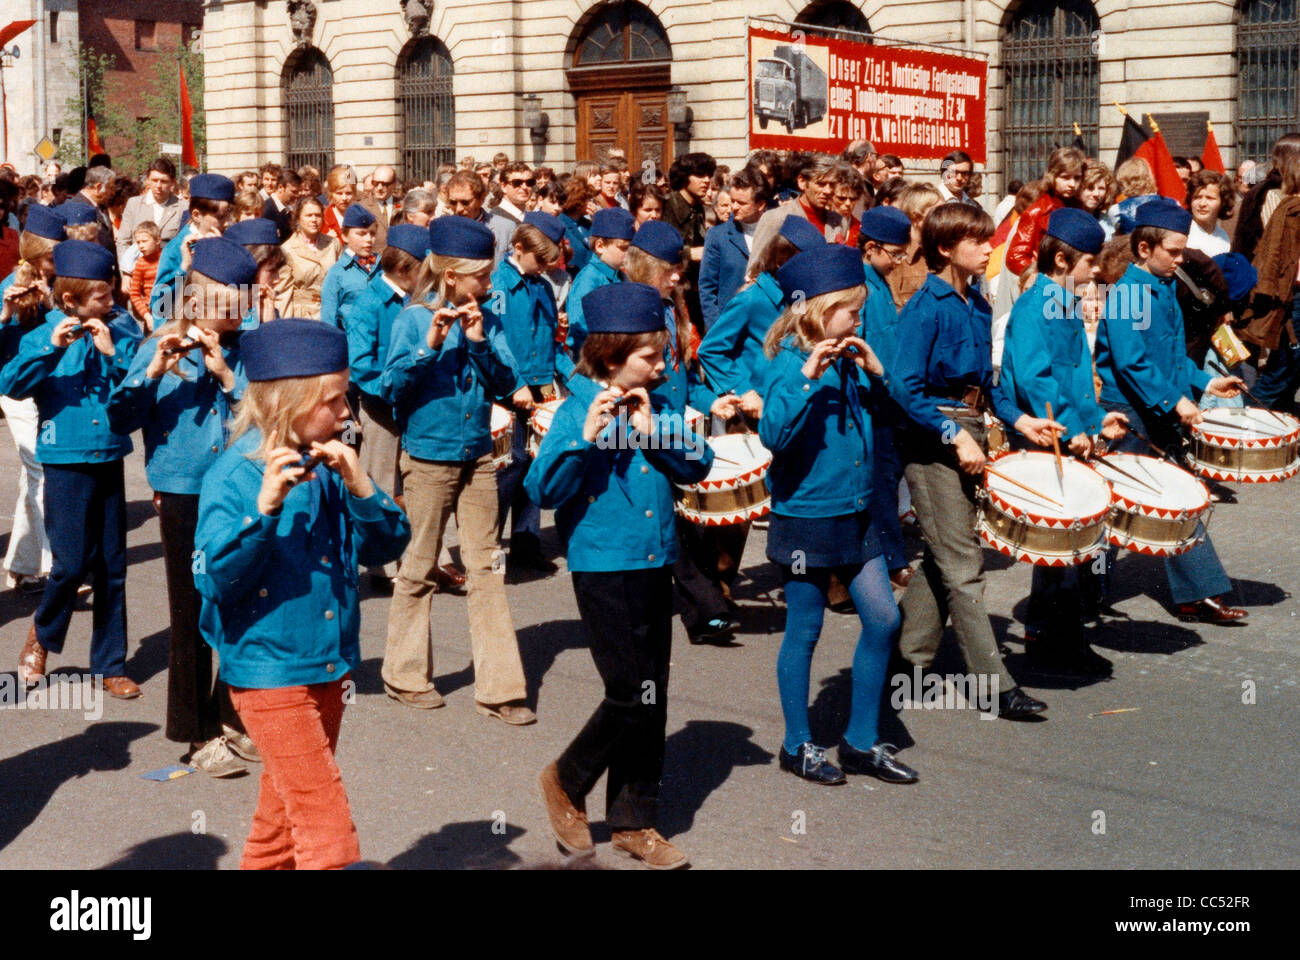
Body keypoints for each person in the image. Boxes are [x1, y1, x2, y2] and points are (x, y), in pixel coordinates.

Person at [194, 318, 409, 868]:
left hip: (327, 663)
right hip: (268, 673)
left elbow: (386, 546)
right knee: (326, 830)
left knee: (280, 822)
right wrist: (262, 512)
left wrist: (362, 486)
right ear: (290, 401)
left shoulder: (331, 462)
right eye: (335, 401)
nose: (347, 414)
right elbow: (215, 581)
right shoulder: (235, 474)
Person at [528, 281, 712, 869]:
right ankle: (565, 779)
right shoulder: (579, 407)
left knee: (652, 694)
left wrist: (656, 424)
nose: (662, 365)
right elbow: (544, 491)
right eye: (650, 356)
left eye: (662, 355)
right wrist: (583, 442)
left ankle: (635, 821)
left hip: (656, 560)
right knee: (628, 692)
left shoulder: (655, 401)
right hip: (603, 566)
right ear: (610, 355)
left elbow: (698, 463)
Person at [892, 203, 1060, 720]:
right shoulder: (926, 307)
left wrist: (1020, 421)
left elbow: (986, 387)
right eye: (979, 241)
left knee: (945, 553)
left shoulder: (979, 304)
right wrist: (952, 435)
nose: (991, 248)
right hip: (932, 436)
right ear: (945, 249)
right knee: (965, 565)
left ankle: (906, 661)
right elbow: (902, 388)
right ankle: (994, 685)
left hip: (969, 426)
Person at [757, 243, 917, 786]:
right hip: (806, 517)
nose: (860, 318)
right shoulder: (785, 363)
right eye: (851, 310)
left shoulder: (852, 360)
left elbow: (891, 421)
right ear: (819, 311)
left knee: (884, 619)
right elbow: (771, 435)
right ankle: (797, 743)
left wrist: (877, 375)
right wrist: (806, 375)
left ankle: (860, 741)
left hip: (858, 513)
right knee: (805, 629)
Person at [108, 237, 263, 776]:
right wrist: (153, 374)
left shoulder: (248, 350)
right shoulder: (158, 345)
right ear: (194, 303)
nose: (237, 315)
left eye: (241, 304)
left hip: (240, 490)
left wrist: (227, 375)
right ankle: (196, 734)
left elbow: (267, 417)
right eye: (226, 307)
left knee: (240, 604)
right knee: (190, 616)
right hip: (182, 494)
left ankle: (229, 715)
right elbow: (120, 417)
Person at [380, 215, 534, 723]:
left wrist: (479, 342)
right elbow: (390, 390)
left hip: (477, 458)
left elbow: (508, 384)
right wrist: (428, 346)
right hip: (427, 458)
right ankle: (403, 675)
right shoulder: (409, 318)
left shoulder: (485, 319)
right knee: (419, 566)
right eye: (481, 276)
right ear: (451, 274)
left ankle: (500, 689)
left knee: (487, 568)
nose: (488, 285)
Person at [1095, 199, 1249, 622]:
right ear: (1145, 249)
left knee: (1179, 500)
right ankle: (1081, 596)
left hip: (1157, 410)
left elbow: (1172, 357)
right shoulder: (1126, 293)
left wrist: (1204, 382)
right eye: (1175, 251)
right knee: (1113, 508)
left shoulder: (1162, 287)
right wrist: (1175, 401)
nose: (1182, 259)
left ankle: (1196, 592)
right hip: (1127, 414)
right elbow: (1132, 363)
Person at [5, 241, 143, 697]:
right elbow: (12, 385)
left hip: (107, 454)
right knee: (68, 564)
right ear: (70, 300)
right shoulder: (42, 331)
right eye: (102, 296)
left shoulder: (121, 327)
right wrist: (49, 346)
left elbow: (141, 384)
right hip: (64, 459)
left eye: (111, 292)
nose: (112, 301)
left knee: (112, 567)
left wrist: (112, 354)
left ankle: (110, 664)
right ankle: (42, 635)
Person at [999, 209, 1129, 673]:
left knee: (1065, 540)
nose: (1097, 271)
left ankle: (1044, 628)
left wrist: (1097, 421)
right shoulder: (1037, 305)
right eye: (1091, 262)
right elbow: (1038, 381)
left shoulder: (1066, 301)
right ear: (1060, 260)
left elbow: (1077, 374)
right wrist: (1073, 433)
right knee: (1066, 538)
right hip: (1045, 435)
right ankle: (1060, 637)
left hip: (1070, 433)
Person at [343, 224, 430, 592]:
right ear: (406, 268)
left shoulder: (415, 299)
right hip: (381, 407)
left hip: (411, 401)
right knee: (377, 483)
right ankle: (379, 566)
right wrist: (393, 390)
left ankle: (413, 556)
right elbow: (361, 365)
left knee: (411, 485)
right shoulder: (368, 303)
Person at [492, 212, 565, 577]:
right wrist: (514, 383)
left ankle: (526, 541)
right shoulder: (500, 287)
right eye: (539, 260)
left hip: (539, 383)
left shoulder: (541, 284)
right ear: (517, 248)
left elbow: (551, 337)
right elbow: (497, 339)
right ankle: (489, 540)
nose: (544, 268)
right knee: (511, 463)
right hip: (509, 385)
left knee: (534, 461)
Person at [698, 216, 826, 412]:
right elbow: (710, 350)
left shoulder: (799, 295)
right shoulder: (752, 299)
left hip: (789, 399)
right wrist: (743, 390)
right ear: (782, 262)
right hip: (757, 405)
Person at [0, 204, 63, 594]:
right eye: (55, 254)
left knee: (32, 474)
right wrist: (5, 311)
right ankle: (56, 566)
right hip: (17, 390)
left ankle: (20, 564)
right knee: (41, 468)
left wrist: (53, 302)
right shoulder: (10, 283)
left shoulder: (60, 285)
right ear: (39, 255)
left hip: (51, 386)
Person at [855, 205, 916, 589]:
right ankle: (890, 559)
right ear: (870, 248)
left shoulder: (879, 281)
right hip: (870, 400)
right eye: (895, 253)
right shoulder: (860, 288)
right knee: (881, 484)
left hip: (887, 394)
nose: (901, 261)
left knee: (889, 479)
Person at [151, 174, 235, 323]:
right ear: (196, 215)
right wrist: (184, 268)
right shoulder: (175, 250)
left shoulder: (229, 242)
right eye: (221, 217)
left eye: (230, 216)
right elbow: (161, 307)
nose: (228, 223)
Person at [563, 207, 635, 371]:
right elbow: (579, 333)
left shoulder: (621, 276)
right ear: (600, 246)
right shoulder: (588, 281)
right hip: (597, 367)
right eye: (623, 248)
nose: (629, 254)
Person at [699, 167, 767, 332]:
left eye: (742, 203)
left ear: (760, 204)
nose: (733, 207)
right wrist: (716, 331)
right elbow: (707, 288)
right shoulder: (717, 235)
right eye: (733, 201)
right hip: (729, 328)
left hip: (766, 327)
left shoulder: (776, 233)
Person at [749, 154, 847, 265]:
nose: (828, 191)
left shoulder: (839, 221)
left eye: (832, 185)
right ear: (802, 182)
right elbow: (755, 270)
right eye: (821, 184)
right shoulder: (775, 218)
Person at [1005, 147, 1086, 277]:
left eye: (1077, 178)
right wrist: (1041, 276)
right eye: (1065, 177)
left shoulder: (1080, 208)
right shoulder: (1037, 211)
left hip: (1073, 281)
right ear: (1052, 176)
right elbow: (1015, 257)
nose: (1072, 184)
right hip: (1047, 285)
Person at [275, 198, 340, 320]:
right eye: (309, 215)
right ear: (298, 218)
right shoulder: (287, 250)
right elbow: (283, 294)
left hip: (330, 312)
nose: (314, 220)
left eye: (318, 215)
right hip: (302, 316)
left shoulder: (333, 244)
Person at [319, 204, 378, 330]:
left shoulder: (382, 267)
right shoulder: (337, 274)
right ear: (345, 236)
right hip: (351, 343)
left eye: (372, 234)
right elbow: (329, 320)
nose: (369, 239)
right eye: (361, 234)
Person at [887, 182, 943, 309]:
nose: (943, 218)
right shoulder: (897, 257)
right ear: (916, 217)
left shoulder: (942, 252)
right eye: (937, 213)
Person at [118, 158, 184, 260]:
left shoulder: (183, 208)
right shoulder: (134, 204)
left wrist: (179, 277)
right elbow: (123, 242)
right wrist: (127, 272)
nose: (158, 185)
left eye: (163, 181)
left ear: (172, 182)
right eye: (154, 180)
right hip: (138, 270)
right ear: (147, 180)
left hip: (170, 272)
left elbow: (186, 250)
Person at [486, 162, 535, 263]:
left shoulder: (531, 217)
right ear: (503, 186)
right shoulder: (495, 220)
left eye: (529, 182)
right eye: (517, 183)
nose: (524, 187)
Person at [1186, 169, 1234, 258]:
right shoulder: (1184, 234)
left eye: (1210, 198)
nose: (1202, 204)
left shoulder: (1223, 237)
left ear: (1223, 202)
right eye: (1197, 197)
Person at [127, 221, 162, 332]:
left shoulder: (167, 257)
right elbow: (134, 293)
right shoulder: (141, 263)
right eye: (138, 242)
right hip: (152, 313)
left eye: (145, 241)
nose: (141, 246)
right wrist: (147, 316)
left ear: (158, 240)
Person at [359, 165, 400, 250]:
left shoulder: (403, 205)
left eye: (385, 184)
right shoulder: (361, 208)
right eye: (376, 183)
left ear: (394, 184)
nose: (379, 188)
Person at [320, 166, 357, 245]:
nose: (344, 198)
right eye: (339, 193)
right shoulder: (323, 219)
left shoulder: (360, 216)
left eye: (348, 193)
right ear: (331, 194)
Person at [262, 170, 298, 245]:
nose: (297, 195)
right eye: (293, 192)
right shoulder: (267, 211)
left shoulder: (286, 209)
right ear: (281, 187)